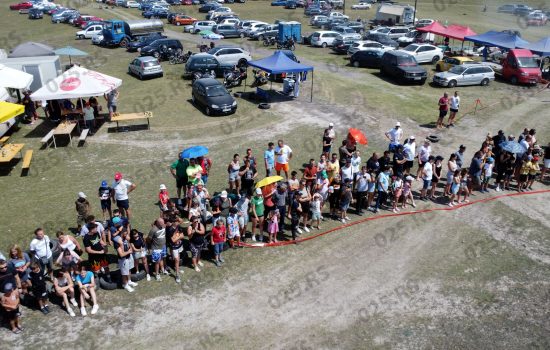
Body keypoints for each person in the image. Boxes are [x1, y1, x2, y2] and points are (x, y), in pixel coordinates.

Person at [166, 217, 184, 283]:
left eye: (178, 221)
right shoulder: (170, 230)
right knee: (176, 259)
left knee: (178, 258)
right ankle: (177, 275)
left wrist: (178, 237)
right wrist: (179, 237)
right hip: (174, 247)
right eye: (176, 221)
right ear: (173, 222)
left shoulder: (179, 226)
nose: (178, 223)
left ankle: (177, 268)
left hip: (179, 245)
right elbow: (173, 240)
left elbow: (183, 235)